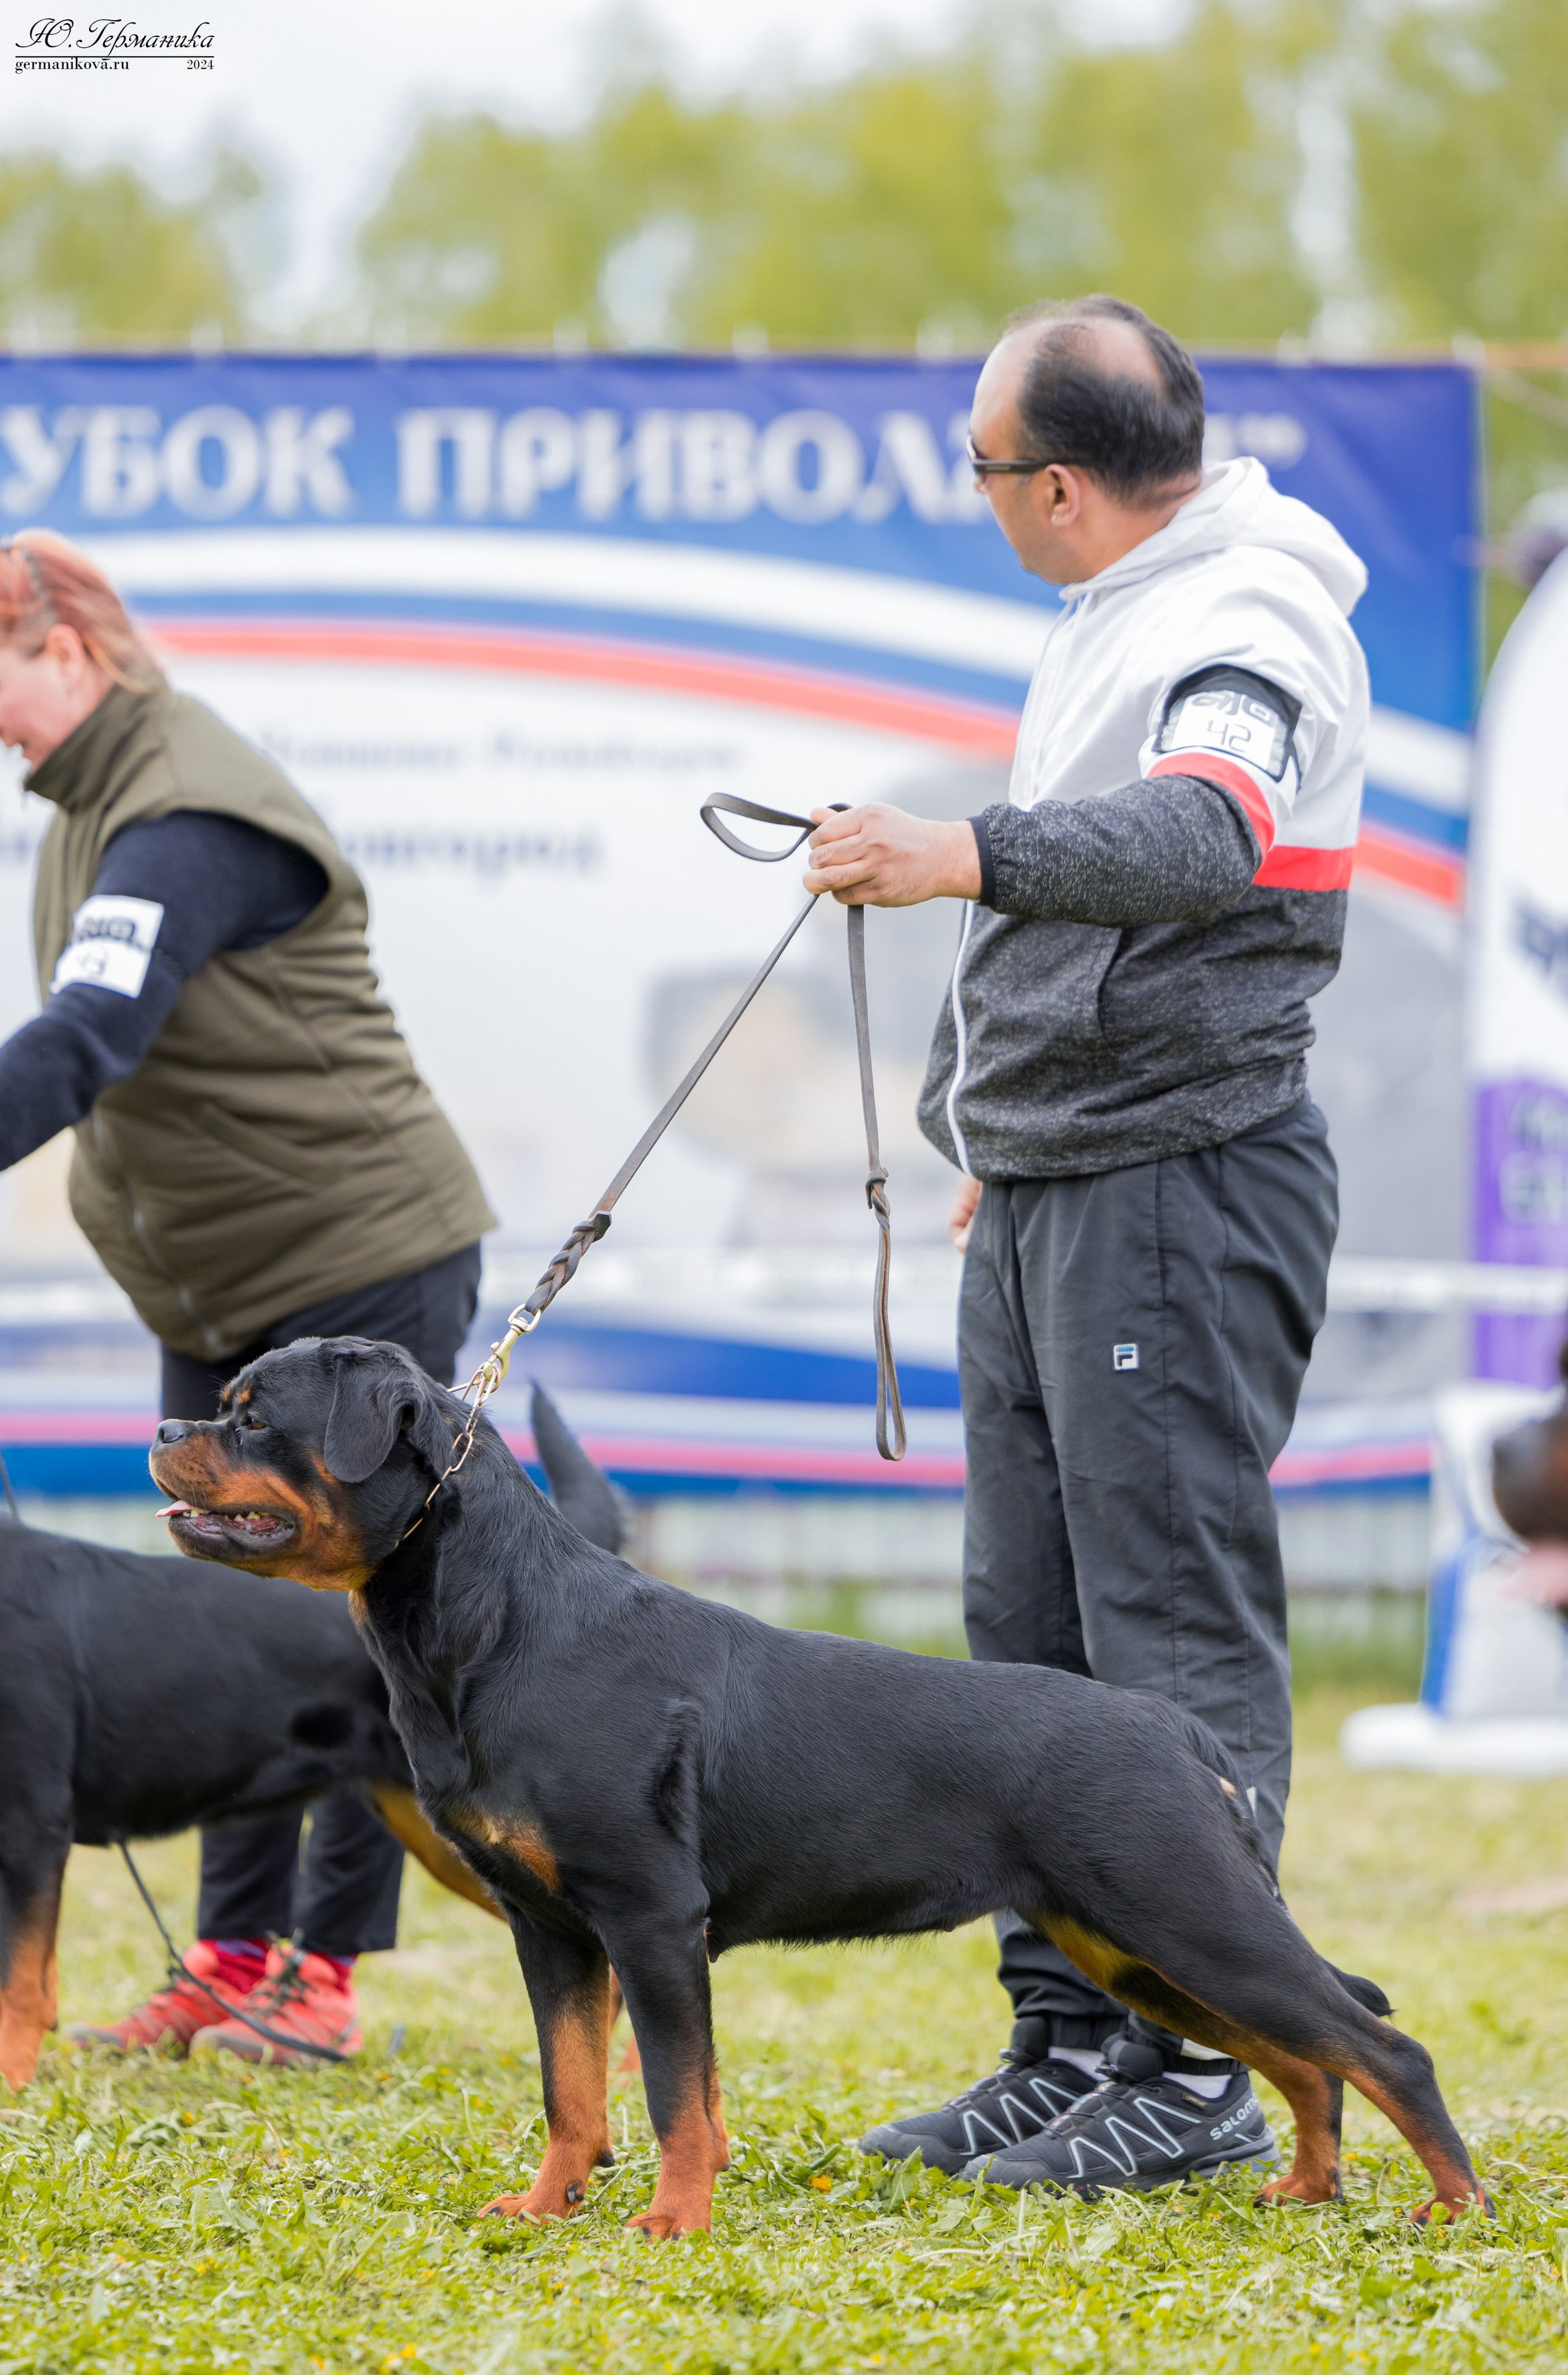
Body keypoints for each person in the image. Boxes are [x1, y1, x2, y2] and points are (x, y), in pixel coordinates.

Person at [812, 298, 1366, 2194]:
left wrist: (954, 848)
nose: (980, 499)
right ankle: (1068, 2036)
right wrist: (991, 1128)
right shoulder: (1115, 611)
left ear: (1054, 482)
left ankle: (1205, 2065)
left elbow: (1203, 834)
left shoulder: (1250, 619)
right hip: (1059, 1178)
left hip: (1179, 1185)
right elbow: (1079, 913)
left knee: (1167, 1637)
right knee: (1030, 1642)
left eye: (981, 467)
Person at [0, 531, 494, 2065]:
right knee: (227, 1609)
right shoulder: (93, 800)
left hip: (352, 1266)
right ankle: (224, 1955)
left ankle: (321, 1977)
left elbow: (84, 1037)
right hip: (221, 1285)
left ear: (65, 651)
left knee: (358, 1626)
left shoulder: (186, 810)